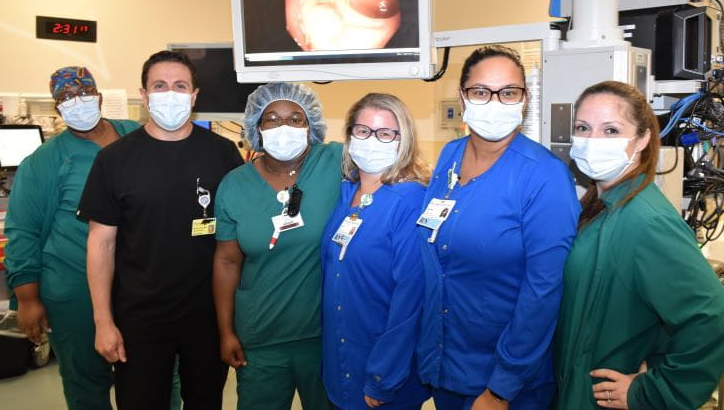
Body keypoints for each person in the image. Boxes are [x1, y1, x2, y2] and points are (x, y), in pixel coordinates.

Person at [416, 45, 581, 410]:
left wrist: (501, 388)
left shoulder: (544, 175)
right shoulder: (449, 156)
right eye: (480, 92)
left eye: (508, 92)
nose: (494, 102)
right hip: (446, 365)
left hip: (506, 381)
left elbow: (544, 290)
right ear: (462, 97)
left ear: (524, 99)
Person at [78, 51, 243, 410]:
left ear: (195, 96)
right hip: (140, 316)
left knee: (205, 400)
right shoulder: (115, 159)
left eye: (180, 86)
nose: (171, 94)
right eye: (160, 86)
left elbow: (238, 239)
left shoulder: (223, 154)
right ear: (144, 95)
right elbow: (101, 245)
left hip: (207, 314)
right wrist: (103, 321)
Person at [554, 81, 724, 409]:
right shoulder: (601, 205)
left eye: (611, 130)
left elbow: (711, 318)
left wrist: (650, 391)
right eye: (583, 128)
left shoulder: (646, 221)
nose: (592, 141)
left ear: (643, 138)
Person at [4, 66, 140, 410]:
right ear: (57, 109)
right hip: (73, 286)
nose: (76, 102)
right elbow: (22, 228)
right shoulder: (45, 161)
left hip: (140, 283)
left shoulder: (136, 137)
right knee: (86, 380)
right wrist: (28, 299)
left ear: (99, 97)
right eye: (65, 97)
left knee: (152, 374)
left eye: (83, 93)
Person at [213, 82, 342, 410]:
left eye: (296, 119)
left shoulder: (335, 163)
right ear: (256, 126)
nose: (284, 127)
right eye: (271, 119)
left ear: (312, 125)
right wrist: (226, 331)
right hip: (261, 336)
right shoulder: (235, 185)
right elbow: (227, 261)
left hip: (326, 336)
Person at [319, 93, 431, 410]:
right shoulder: (346, 194)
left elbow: (410, 301)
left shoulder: (408, 201)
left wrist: (383, 378)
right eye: (363, 131)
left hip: (382, 376)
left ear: (403, 140)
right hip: (341, 364)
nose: (372, 141)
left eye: (385, 134)